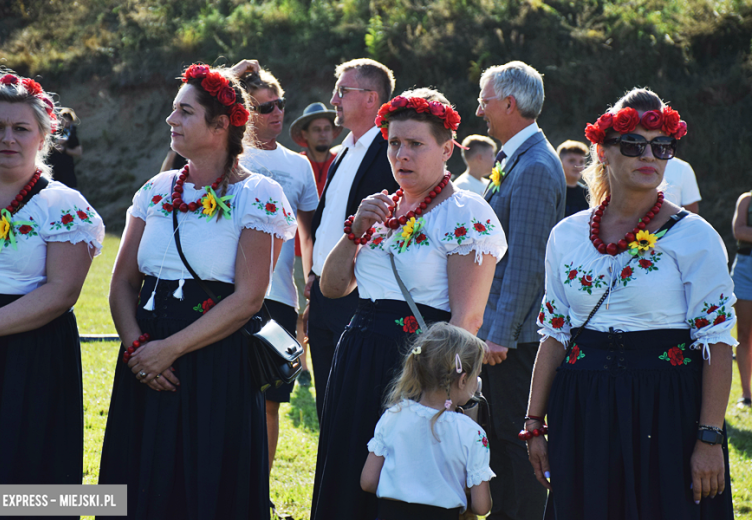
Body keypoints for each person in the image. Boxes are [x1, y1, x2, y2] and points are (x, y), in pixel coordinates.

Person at [97, 63, 296, 520]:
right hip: (144, 356)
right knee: (141, 481)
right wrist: (138, 349)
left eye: (184, 112)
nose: (171, 120)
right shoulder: (156, 189)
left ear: (221, 124)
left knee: (205, 483)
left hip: (213, 358)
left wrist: (169, 350)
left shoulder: (259, 195)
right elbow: (123, 281)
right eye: (173, 111)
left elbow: (248, 298)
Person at [528, 88, 735, 519]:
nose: (649, 155)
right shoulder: (566, 234)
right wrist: (534, 425)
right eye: (633, 144)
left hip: (667, 408)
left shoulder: (695, 236)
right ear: (602, 151)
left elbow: (717, 343)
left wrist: (709, 438)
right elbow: (554, 335)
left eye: (662, 146)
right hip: (584, 407)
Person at [311, 88, 507, 520]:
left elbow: (466, 318)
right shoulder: (382, 208)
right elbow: (332, 287)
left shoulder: (464, 211)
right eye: (394, 143)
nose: (402, 154)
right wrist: (354, 231)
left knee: (403, 492)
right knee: (350, 477)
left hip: (417, 364)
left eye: (416, 144)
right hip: (359, 353)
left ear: (447, 148)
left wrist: (440, 393)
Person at [0, 71, 104, 518]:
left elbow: (61, 292)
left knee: (24, 484)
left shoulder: (64, 205)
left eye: (21, 128)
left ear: (44, 135)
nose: (7, 138)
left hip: (31, 353)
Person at [476, 61, 565, 520]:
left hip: (516, 340)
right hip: (505, 334)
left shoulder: (532, 166)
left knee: (516, 445)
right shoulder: (517, 157)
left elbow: (528, 264)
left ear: (509, 103)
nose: (479, 110)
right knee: (502, 446)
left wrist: (499, 334)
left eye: (484, 99)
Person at [236, 66, 319, 505]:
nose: (277, 113)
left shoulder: (298, 164)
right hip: (229, 295)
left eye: (280, 104)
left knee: (271, 401)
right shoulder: (230, 156)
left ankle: (258, 492)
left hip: (281, 300)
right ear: (243, 111)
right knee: (228, 395)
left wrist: (312, 294)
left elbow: (309, 236)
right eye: (264, 107)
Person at [308, 58, 400, 421]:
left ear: (371, 99)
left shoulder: (391, 150)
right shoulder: (345, 148)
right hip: (324, 292)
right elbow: (329, 220)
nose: (334, 99)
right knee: (326, 407)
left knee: (353, 408)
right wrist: (315, 277)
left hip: (359, 296)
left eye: (343, 91)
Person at [361, 322, 494, 519]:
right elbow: (482, 507)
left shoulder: (393, 415)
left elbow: (368, 482)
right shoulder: (472, 433)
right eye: (477, 375)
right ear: (463, 379)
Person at [290, 102, 342, 362]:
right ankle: (301, 363)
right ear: (306, 135)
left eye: (327, 129)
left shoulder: (342, 161)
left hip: (335, 250)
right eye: (316, 129)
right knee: (301, 307)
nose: (323, 133)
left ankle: (328, 358)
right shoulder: (295, 164)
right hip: (299, 250)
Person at [732, 190, 752, 407]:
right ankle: (747, 395)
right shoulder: (746, 199)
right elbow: (739, 231)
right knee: (745, 334)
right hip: (747, 269)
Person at [47, 107, 82, 188]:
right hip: (53, 170)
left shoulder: (72, 135)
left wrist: (65, 150)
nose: (66, 123)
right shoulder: (52, 132)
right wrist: (54, 145)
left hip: (66, 170)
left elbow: (79, 152)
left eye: (68, 121)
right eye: (64, 120)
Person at [556, 139, 590, 218]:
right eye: (572, 161)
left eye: (581, 162)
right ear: (559, 162)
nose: (578, 166)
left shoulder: (588, 194)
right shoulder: (553, 191)